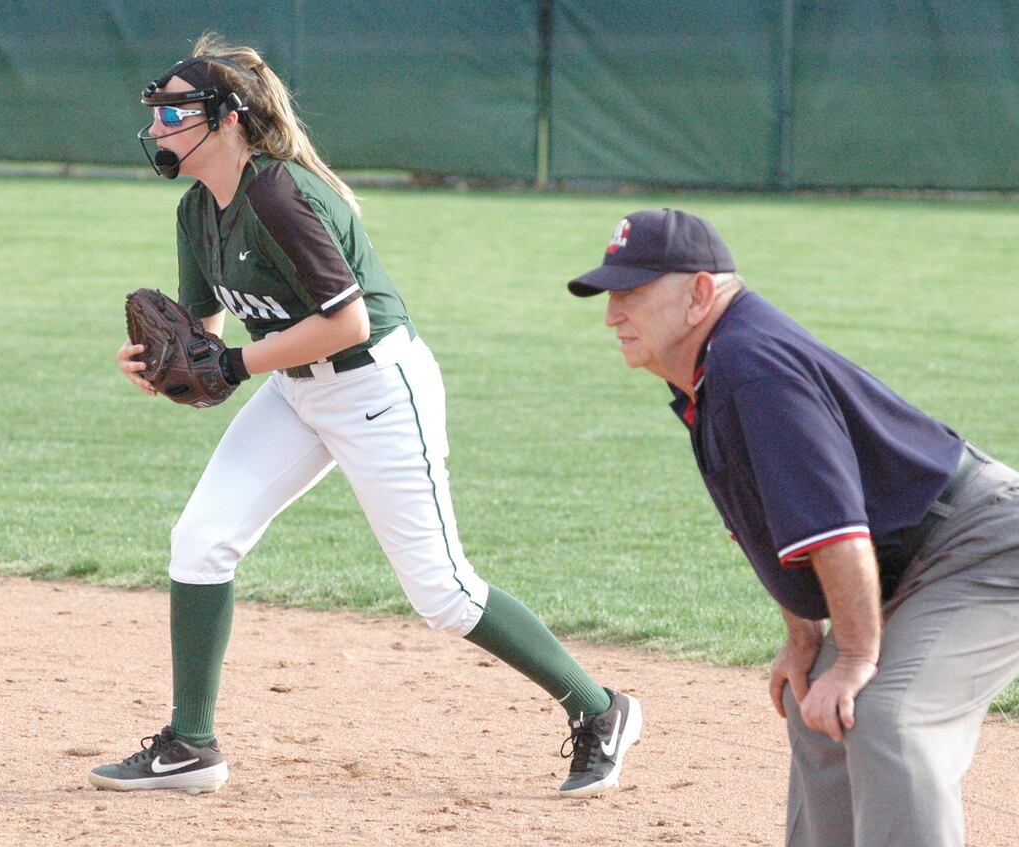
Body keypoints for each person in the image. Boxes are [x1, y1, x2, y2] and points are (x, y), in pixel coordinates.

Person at [88, 34, 641, 799]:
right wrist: (164, 367)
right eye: (156, 113)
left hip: (376, 389)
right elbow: (205, 345)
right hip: (296, 389)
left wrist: (237, 365)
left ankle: (601, 709)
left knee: (442, 592)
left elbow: (346, 325)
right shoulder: (197, 211)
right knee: (201, 540)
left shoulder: (280, 194)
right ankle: (190, 745)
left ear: (228, 120)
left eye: (175, 111)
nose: (157, 128)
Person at [567, 209, 1019, 847]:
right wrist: (805, 640)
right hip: (918, 552)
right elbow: (772, 526)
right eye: (608, 295)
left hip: (989, 551)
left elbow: (836, 532)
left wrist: (860, 656)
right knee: (821, 699)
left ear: (700, 293)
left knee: (887, 711)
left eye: (632, 293)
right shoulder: (714, 370)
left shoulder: (751, 365)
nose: (613, 313)